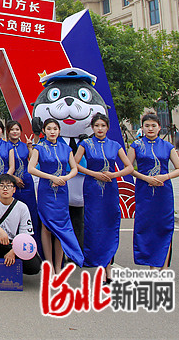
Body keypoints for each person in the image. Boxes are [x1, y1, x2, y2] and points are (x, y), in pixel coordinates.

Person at [74, 113, 133, 280]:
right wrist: (94, 174)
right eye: (97, 126)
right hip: (92, 189)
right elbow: (75, 164)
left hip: (110, 189)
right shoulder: (85, 144)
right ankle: (99, 267)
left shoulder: (115, 145)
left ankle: (108, 268)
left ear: (108, 127)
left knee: (110, 226)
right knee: (93, 226)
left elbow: (129, 167)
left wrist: (114, 175)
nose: (100, 129)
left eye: (103, 126)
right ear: (92, 127)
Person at [127, 113, 179, 269]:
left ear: (159, 127)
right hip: (144, 192)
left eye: (153, 125)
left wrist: (165, 176)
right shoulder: (136, 146)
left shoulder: (167, 146)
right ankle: (152, 267)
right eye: (147, 126)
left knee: (164, 228)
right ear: (142, 128)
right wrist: (145, 178)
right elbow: (128, 168)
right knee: (147, 228)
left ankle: (163, 268)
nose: (150, 128)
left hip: (163, 193)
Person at [28, 118, 82, 270]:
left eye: (55, 129)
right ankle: (49, 264)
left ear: (59, 131)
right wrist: (51, 177)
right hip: (46, 191)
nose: (52, 132)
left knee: (60, 228)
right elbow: (31, 168)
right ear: (44, 131)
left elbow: (74, 168)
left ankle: (59, 265)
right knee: (46, 227)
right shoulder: (39, 148)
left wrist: (65, 178)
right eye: (49, 129)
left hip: (62, 191)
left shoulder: (66, 149)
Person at [0, 173, 42, 286]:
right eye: (2, 185)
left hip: (13, 244)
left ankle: (10, 267)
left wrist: (14, 251)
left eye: (9, 186)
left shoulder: (22, 207)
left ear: (14, 190)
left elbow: (26, 236)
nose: (5, 188)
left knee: (35, 266)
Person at [6, 120, 39, 252]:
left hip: (27, 184)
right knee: (12, 215)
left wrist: (30, 147)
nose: (15, 132)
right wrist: (14, 179)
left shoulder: (25, 145)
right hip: (11, 185)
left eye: (17, 129)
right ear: (8, 131)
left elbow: (33, 162)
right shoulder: (5, 146)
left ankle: (32, 246)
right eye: (12, 129)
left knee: (30, 214)